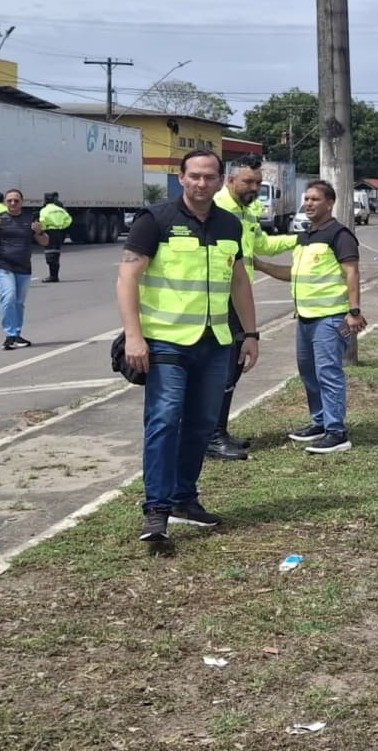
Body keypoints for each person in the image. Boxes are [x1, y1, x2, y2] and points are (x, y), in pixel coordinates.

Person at [116, 149, 261, 543]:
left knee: (201, 425)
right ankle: (157, 509)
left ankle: (184, 499)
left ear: (220, 181)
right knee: (164, 421)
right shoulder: (156, 220)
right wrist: (134, 335)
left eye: (209, 177)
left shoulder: (230, 225)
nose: (201, 183)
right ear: (181, 178)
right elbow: (127, 277)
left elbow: (239, 282)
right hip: (166, 342)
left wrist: (249, 333)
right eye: (194, 176)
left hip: (216, 343)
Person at [256, 180, 364, 455]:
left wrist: (354, 312)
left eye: (315, 199)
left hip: (330, 318)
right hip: (305, 318)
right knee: (308, 373)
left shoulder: (339, 235)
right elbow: (294, 274)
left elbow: (351, 273)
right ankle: (320, 422)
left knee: (328, 373)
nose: (309, 203)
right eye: (306, 199)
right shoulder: (305, 237)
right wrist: (259, 265)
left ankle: (336, 432)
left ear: (329, 203)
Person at [205, 156, 298, 461]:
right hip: (218, 300)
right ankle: (211, 437)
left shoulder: (245, 212)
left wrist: (301, 240)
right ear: (230, 180)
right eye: (248, 181)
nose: (254, 188)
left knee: (233, 367)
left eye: (258, 182)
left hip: (238, 299)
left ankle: (218, 431)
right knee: (223, 369)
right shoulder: (217, 211)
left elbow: (263, 246)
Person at [0, 189, 48, 349]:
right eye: (9, 201)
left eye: (16, 200)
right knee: (8, 297)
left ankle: (16, 334)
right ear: (5, 202)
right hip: (3, 264)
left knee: (19, 303)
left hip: (23, 266)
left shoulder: (29, 220)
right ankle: (9, 335)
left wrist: (39, 231)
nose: (13, 203)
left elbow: (44, 242)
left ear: (22, 202)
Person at [38, 192, 73, 282]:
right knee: (56, 254)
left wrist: (42, 230)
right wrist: (62, 226)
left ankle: (53, 276)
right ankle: (55, 275)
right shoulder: (60, 209)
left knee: (50, 254)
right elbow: (69, 219)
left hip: (50, 232)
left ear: (45, 200)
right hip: (59, 232)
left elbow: (42, 221)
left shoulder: (44, 210)